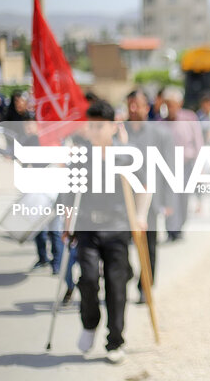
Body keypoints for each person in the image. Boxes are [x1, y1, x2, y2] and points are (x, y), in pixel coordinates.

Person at [64, 100, 149, 363]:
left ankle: (115, 341)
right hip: (87, 228)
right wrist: (67, 226)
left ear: (113, 127)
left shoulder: (126, 154)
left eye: (101, 125)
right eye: (91, 125)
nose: (95, 130)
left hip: (118, 228)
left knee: (116, 285)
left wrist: (141, 216)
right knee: (88, 279)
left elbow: (144, 186)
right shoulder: (80, 156)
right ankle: (90, 322)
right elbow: (68, 195)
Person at [126, 89, 174, 302]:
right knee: (120, 245)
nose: (133, 109)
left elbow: (169, 169)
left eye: (137, 104)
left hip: (150, 201)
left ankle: (146, 284)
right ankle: (126, 273)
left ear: (147, 107)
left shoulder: (160, 133)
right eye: (130, 104)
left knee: (149, 246)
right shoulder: (120, 132)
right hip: (124, 201)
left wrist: (169, 201)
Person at [161, 86, 203, 240]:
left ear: (179, 104)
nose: (169, 107)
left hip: (186, 165)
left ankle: (180, 227)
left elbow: (198, 142)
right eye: (167, 103)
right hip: (167, 167)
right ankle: (170, 229)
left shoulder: (189, 118)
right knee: (169, 198)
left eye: (172, 103)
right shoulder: (161, 122)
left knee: (183, 198)